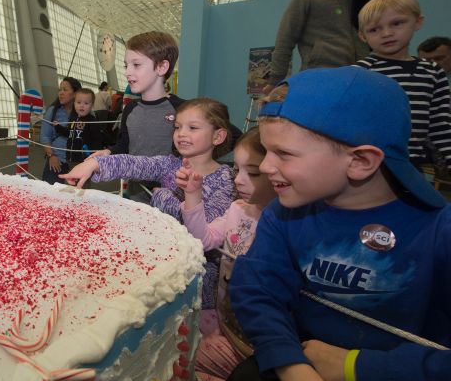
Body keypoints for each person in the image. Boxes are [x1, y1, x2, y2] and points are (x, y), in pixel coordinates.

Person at [229, 67, 451, 381]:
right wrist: (290, 364)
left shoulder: (440, 231)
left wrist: (355, 366)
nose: (265, 166)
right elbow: (257, 292)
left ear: (360, 161)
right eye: (266, 151)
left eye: (284, 153)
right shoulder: (283, 214)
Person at [60, 98, 235, 314]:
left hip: (196, 280)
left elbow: (202, 235)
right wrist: (95, 164)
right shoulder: (170, 163)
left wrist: (162, 197)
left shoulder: (224, 179)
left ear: (218, 136)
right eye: (177, 127)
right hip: (161, 260)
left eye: (193, 127)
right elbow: (136, 163)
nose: (181, 133)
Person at [174, 127, 275, 380]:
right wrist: (193, 194)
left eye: (253, 173)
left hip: (259, 343)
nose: (239, 180)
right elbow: (203, 239)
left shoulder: (289, 224)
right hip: (226, 325)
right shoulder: (238, 209)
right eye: (236, 170)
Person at [354, 0, 451, 174]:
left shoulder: (433, 72)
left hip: (411, 163)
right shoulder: (358, 73)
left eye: (397, 23)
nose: (387, 33)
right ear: (363, 36)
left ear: (418, 22)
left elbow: (440, 125)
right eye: (374, 29)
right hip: (368, 162)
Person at [266, 0, 388, 89]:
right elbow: (285, 41)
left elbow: (389, 25)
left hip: (361, 80)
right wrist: (275, 82)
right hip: (319, 81)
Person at [90, 31, 185, 202]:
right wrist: (109, 152)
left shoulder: (182, 109)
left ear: (162, 67)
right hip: (135, 194)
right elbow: (125, 145)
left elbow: (225, 135)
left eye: (136, 65)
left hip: (171, 197)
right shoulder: (130, 109)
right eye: (126, 65)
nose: (127, 72)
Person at [55, 88, 104, 174]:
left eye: (86, 103)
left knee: (83, 180)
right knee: (72, 178)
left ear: (92, 105)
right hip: (71, 158)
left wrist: (95, 157)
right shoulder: (73, 119)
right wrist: (58, 127)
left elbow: (97, 140)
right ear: (74, 103)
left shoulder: (92, 121)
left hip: (84, 160)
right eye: (78, 102)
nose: (82, 105)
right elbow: (69, 133)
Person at [40, 76, 79, 184]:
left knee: (79, 193)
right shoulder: (52, 111)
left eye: (65, 90)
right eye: (60, 90)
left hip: (78, 161)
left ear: (75, 93)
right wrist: (51, 156)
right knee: (49, 190)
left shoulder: (84, 112)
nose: (61, 93)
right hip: (57, 158)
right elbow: (45, 136)